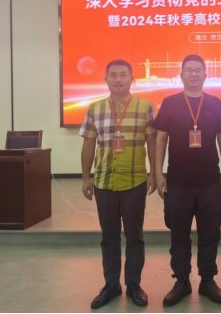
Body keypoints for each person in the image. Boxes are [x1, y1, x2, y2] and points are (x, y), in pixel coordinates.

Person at [154, 55, 221, 307]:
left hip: (209, 181)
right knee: (179, 234)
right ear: (181, 75)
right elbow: (160, 139)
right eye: (189, 70)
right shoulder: (170, 103)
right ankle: (181, 280)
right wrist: (158, 173)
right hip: (178, 182)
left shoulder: (215, 103)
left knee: (210, 233)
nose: (194, 74)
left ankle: (208, 280)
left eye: (198, 70)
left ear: (206, 75)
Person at [80, 59, 157, 310]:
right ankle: (111, 285)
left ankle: (134, 284)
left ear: (132, 79)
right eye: (113, 75)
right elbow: (89, 143)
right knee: (109, 236)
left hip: (135, 180)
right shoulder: (95, 108)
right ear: (106, 80)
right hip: (104, 181)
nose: (118, 79)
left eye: (123, 75)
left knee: (135, 235)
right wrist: (86, 177)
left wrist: (154, 174)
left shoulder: (146, 107)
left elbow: (153, 142)